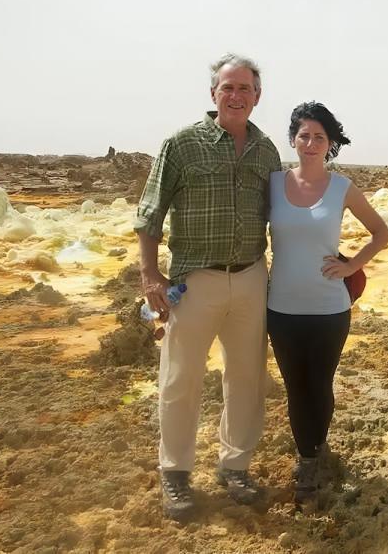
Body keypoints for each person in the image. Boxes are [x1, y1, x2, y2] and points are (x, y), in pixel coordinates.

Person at [134, 54, 282, 521]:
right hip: (194, 280)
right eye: (228, 87)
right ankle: (175, 474)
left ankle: (235, 466)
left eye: (245, 89)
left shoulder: (267, 151)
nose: (236, 96)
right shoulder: (181, 144)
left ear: (258, 97)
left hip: (251, 276)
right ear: (213, 93)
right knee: (181, 379)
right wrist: (150, 275)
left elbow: (281, 217)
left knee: (247, 379)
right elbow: (150, 213)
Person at [267, 101, 388, 499]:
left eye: (319, 136)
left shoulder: (341, 188)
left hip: (328, 309)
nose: (310, 142)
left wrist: (350, 265)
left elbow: (380, 233)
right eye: (303, 135)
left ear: (330, 144)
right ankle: (309, 452)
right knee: (293, 387)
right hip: (281, 308)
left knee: (319, 384)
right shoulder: (272, 183)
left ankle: (311, 457)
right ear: (292, 140)